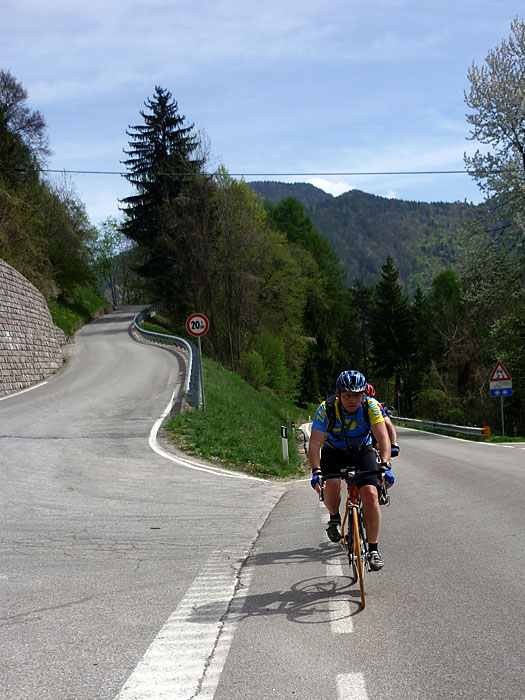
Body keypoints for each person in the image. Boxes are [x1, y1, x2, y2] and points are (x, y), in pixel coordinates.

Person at [309, 370, 394, 571]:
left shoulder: (370, 406)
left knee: (371, 495)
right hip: (334, 451)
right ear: (339, 394)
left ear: (363, 394)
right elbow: (315, 444)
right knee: (332, 484)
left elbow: (383, 439)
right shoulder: (326, 409)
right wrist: (316, 471)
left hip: (362, 451)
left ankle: (373, 549)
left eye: (357, 395)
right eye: (347, 395)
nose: (352, 400)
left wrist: (385, 465)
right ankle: (334, 518)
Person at [365, 383, 400, 457]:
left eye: (370, 398)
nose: (368, 400)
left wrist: (394, 444)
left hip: (373, 433)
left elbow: (389, 424)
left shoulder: (375, 404)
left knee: (380, 453)